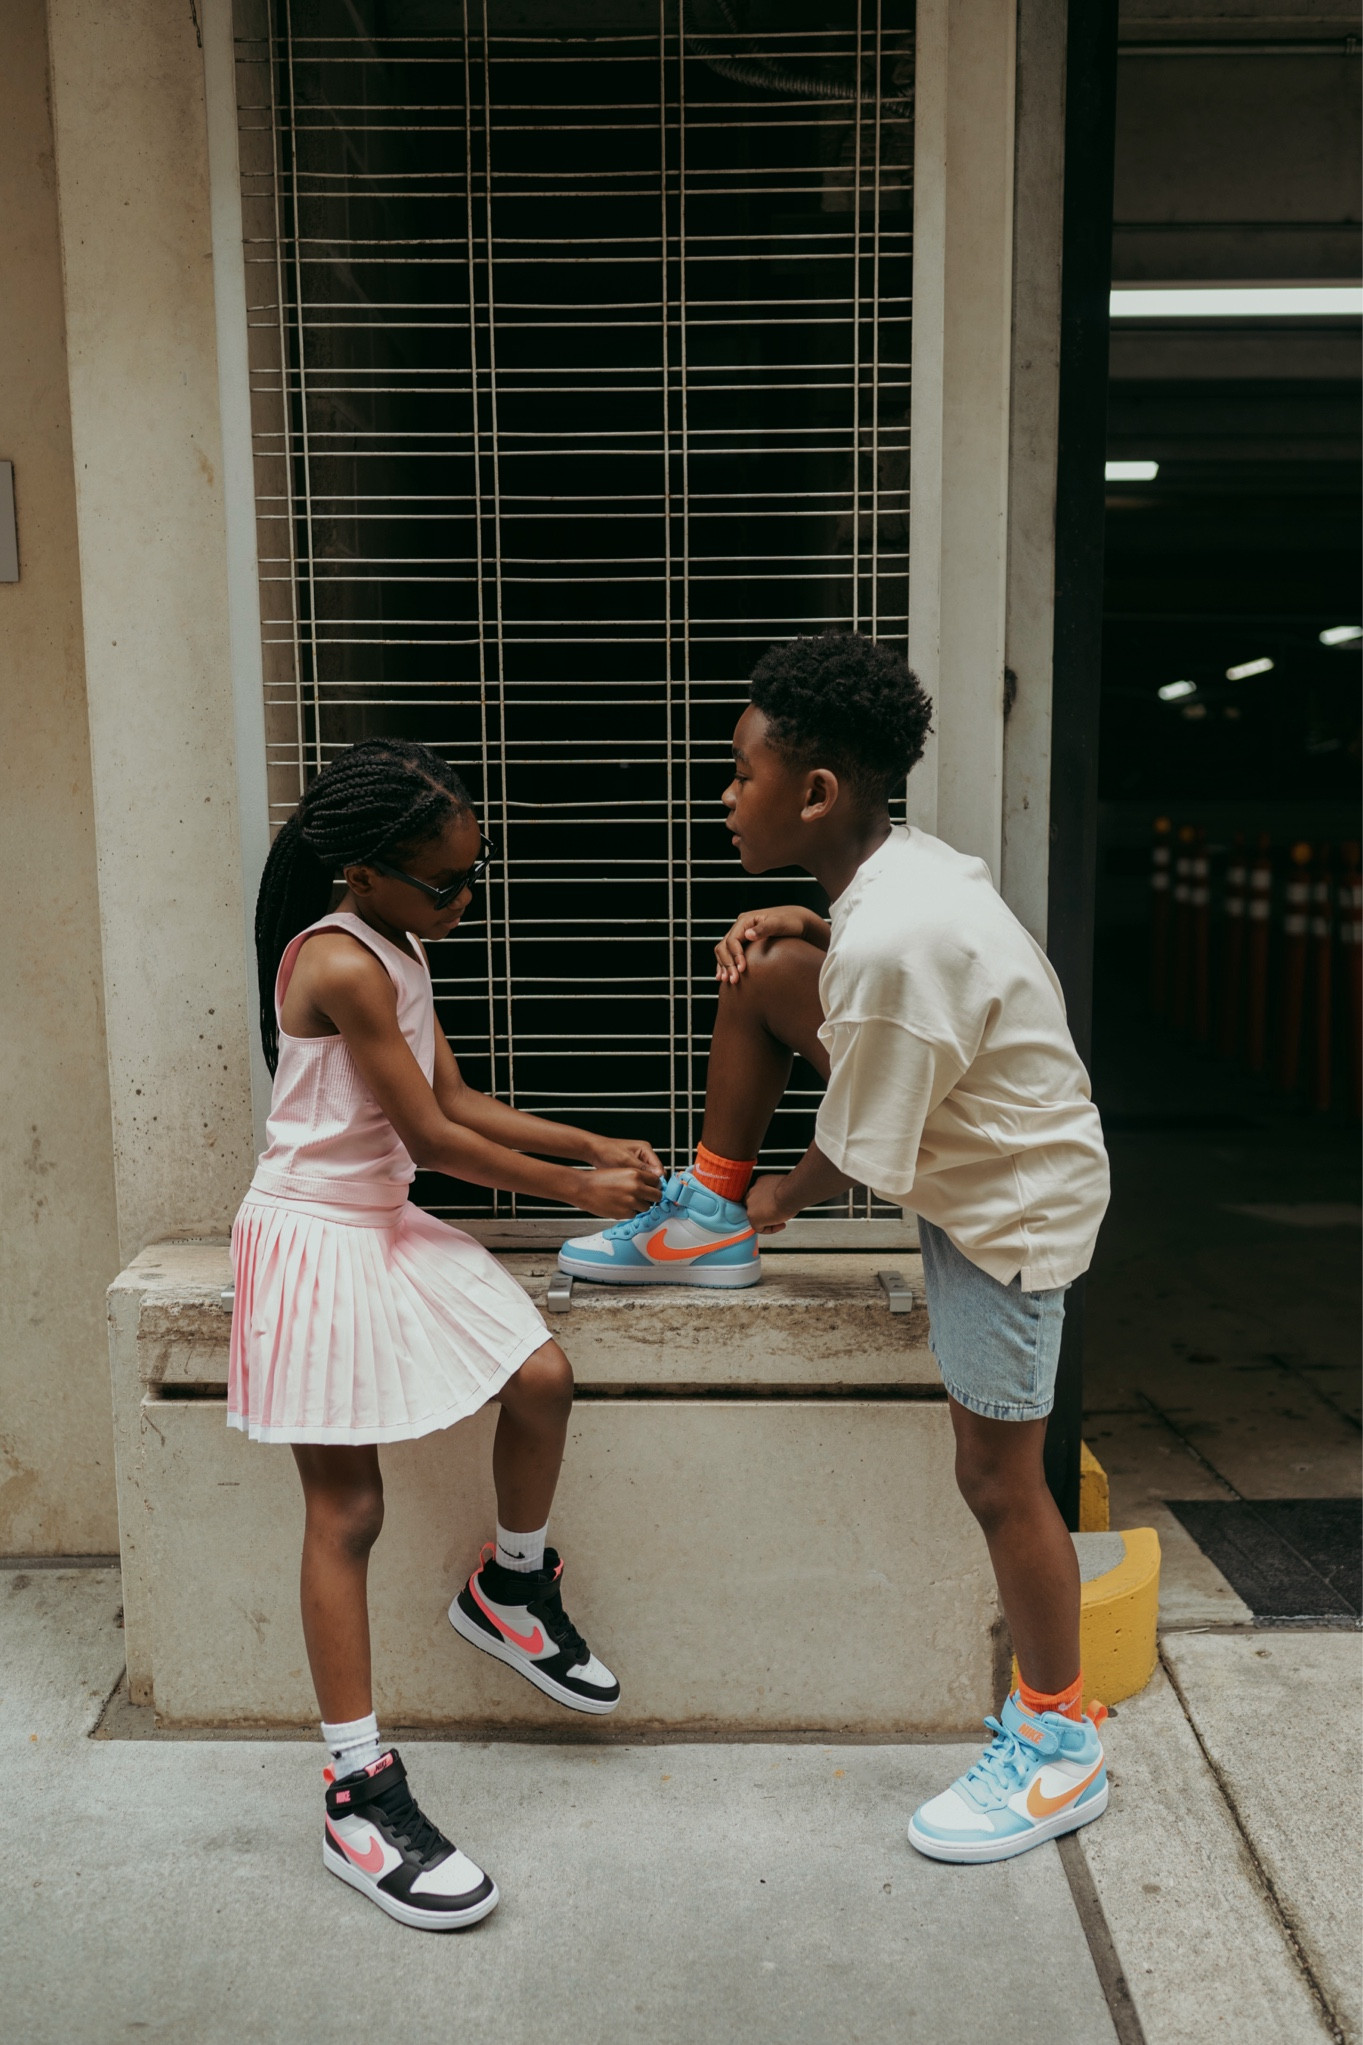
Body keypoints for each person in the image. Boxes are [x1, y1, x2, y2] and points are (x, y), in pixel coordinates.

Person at [559, 633, 1112, 1864]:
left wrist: (770, 1208)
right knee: (770, 968)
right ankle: (699, 1205)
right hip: (963, 1136)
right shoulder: (891, 880)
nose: (724, 790)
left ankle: (1060, 1737)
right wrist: (808, 917)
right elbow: (864, 977)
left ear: (815, 792)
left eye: (740, 769)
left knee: (998, 1478)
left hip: (1006, 1211)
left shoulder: (893, 946)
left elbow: (853, 1155)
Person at [234, 738, 662, 1929]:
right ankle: (356, 1790)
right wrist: (575, 1195)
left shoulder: (401, 941)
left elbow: (458, 1097)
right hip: (317, 1237)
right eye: (445, 884)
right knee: (348, 1512)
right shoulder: (337, 959)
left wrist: (588, 1142)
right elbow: (429, 1136)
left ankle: (509, 1587)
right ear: (364, 871)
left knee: (540, 1376)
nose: (463, 901)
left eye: (473, 878)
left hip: (385, 1221)